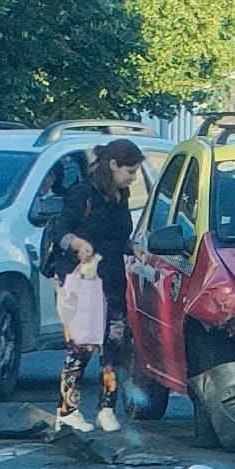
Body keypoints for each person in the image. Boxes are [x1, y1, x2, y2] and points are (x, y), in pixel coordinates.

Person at [50, 138, 145, 434]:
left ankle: (107, 408)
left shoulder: (122, 195)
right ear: (113, 165)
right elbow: (59, 232)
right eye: (130, 171)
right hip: (84, 281)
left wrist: (133, 248)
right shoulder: (82, 194)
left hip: (113, 279)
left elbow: (118, 237)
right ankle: (67, 410)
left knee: (114, 346)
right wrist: (78, 244)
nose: (133, 178)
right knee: (81, 345)